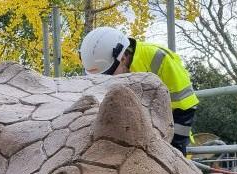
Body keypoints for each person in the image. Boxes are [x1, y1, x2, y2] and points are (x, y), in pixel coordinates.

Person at [80, 27, 198, 155]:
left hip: (170, 134)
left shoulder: (159, 58)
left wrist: (175, 148)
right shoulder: (114, 68)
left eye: (108, 74)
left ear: (123, 57)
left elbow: (186, 107)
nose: (106, 80)